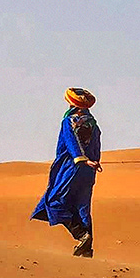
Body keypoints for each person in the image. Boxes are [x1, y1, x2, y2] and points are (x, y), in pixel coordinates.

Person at [31, 87, 103, 257]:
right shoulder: (94, 124)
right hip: (88, 170)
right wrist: (93, 162)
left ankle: (82, 236)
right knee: (82, 206)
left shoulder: (70, 121)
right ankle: (87, 248)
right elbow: (96, 147)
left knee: (55, 201)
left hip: (71, 167)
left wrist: (81, 158)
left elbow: (72, 143)